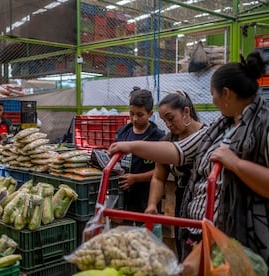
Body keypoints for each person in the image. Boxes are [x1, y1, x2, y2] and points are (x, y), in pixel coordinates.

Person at [108, 51, 269, 263]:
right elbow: (175, 152)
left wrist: (236, 164)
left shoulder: (262, 126)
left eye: (213, 94)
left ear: (227, 93)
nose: (212, 100)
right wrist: (130, 145)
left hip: (241, 236)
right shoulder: (220, 128)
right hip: (201, 230)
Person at [144, 90, 205, 260]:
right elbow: (158, 177)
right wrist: (152, 204)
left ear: (186, 112)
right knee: (183, 244)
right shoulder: (166, 142)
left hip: (206, 200)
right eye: (165, 121)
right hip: (182, 199)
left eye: (171, 118)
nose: (168, 125)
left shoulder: (207, 136)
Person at [115, 88, 165, 214]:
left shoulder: (158, 137)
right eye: (131, 113)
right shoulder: (123, 133)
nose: (135, 119)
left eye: (140, 114)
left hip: (147, 197)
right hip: (124, 195)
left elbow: (161, 171)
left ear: (150, 114)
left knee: (146, 229)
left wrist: (135, 178)